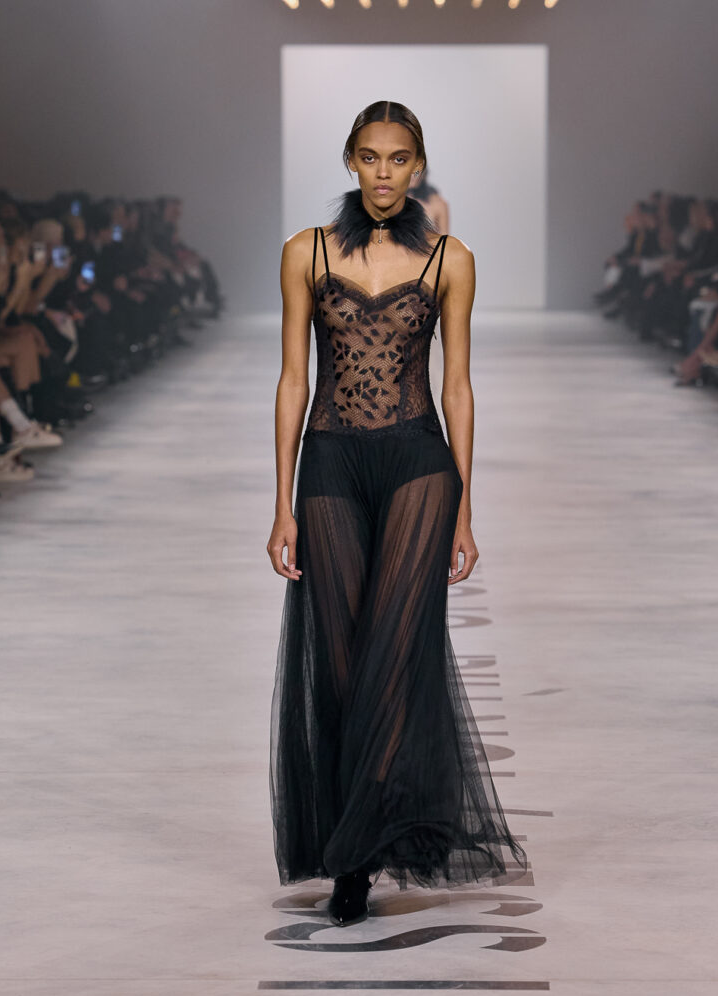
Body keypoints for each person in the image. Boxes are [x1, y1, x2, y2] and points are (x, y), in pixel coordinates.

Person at [267, 99, 527, 928]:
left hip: (418, 462)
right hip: (331, 460)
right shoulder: (305, 251)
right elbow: (293, 380)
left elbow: (458, 387)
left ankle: (357, 855)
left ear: (417, 165)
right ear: (350, 160)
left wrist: (465, 507)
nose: (384, 172)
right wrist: (280, 503)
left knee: (392, 655)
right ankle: (357, 831)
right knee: (342, 659)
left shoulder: (451, 259)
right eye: (371, 156)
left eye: (399, 157)